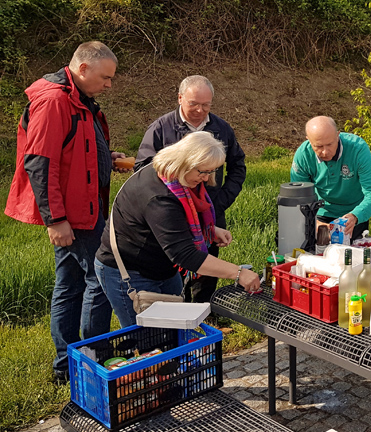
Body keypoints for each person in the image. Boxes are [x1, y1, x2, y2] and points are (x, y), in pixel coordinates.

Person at [5, 41, 128, 383]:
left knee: (71, 284)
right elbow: (40, 163)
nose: (109, 85)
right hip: (73, 214)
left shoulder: (78, 99)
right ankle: (89, 362)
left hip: (85, 208)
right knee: (100, 281)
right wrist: (55, 219)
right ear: (83, 68)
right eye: (105, 77)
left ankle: (68, 366)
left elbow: (79, 148)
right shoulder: (54, 101)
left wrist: (107, 156)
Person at [95, 132, 260, 327]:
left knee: (174, 331)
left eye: (211, 171)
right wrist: (238, 273)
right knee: (148, 342)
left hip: (163, 266)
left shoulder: (175, 177)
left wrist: (210, 229)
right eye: (203, 172)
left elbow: (180, 217)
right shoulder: (159, 197)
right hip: (131, 271)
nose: (207, 178)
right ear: (185, 162)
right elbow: (185, 255)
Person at [135, 75, 246, 304]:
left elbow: (238, 166)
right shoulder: (160, 128)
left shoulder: (221, 128)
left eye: (206, 105)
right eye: (193, 104)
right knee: (176, 264)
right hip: (172, 213)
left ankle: (204, 313)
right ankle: (178, 311)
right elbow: (142, 170)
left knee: (207, 268)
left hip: (210, 211)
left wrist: (222, 200)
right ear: (179, 98)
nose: (199, 110)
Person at [290, 116, 371, 241]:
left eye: (329, 144)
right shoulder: (303, 155)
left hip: (353, 213)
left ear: (338, 135)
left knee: (352, 256)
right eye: (318, 146)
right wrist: (313, 223)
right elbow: (297, 198)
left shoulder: (358, 149)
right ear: (309, 141)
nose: (325, 152)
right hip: (320, 212)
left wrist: (355, 216)